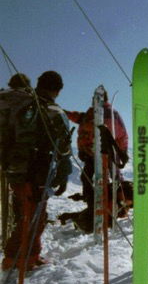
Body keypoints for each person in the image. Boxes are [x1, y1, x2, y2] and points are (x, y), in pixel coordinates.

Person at [1, 71, 71, 270]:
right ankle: (22, 259)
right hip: (35, 172)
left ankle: (24, 255)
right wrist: (64, 171)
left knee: (26, 213)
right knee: (33, 216)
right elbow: (63, 146)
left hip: (14, 168)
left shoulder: (21, 106)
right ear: (57, 90)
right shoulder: (49, 109)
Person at [65, 89, 128, 233]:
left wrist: (120, 153)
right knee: (112, 181)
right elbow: (123, 135)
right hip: (106, 156)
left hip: (99, 155)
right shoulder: (109, 114)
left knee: (91, 181)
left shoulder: (101, 114)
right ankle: (116, 208)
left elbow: (120, 134)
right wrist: (121, 153)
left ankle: (99, 209)